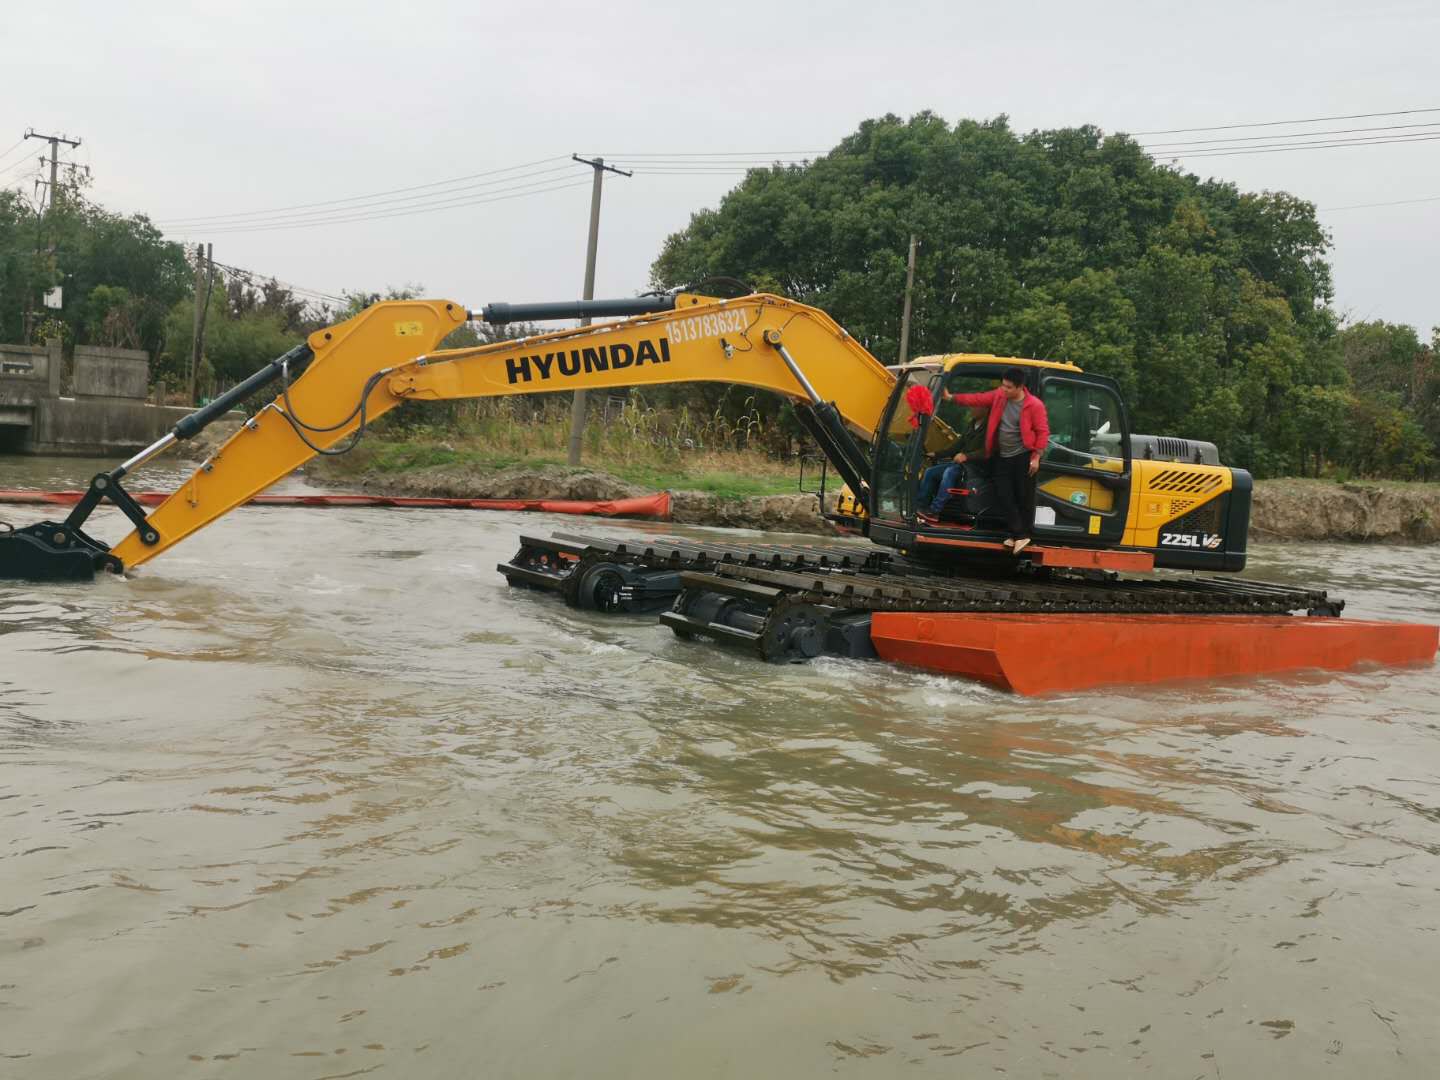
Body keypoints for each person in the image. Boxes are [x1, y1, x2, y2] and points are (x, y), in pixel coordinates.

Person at [937, 367, 1050, 554]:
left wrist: (1036, 457)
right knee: (1003, 493)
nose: (1003, 390)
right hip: (1002, 455)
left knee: (1023, 496)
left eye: (1008, 387)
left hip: (1023, 456)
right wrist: (951, 397)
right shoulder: (999, 396)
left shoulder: (1033, 405)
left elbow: (1043, 432)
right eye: (1003, 386)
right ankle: (1016, 534)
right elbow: (978, 398)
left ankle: (1021, 535)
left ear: (1020, 387)